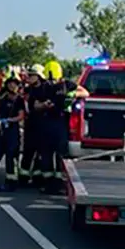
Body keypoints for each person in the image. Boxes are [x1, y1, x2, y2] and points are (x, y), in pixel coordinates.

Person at [35, 60, 89, 194]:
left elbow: (85, 93)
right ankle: (49, 184)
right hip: (46, 123)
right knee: (46, 155)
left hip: (61, 123)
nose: (51, 81)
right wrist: (44, 105)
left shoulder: (67, 85)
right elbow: (35, 105)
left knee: (61, 155)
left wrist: (72, 94)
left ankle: (60, 184)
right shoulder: (43, 87)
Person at [18, 64, 48, 188]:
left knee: (40, 153)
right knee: (27, 152)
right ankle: (23, 178)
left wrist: (42, 105)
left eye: (32, 75)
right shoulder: (27, 90)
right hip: (30, 124)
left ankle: (37, 178)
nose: (29, 77)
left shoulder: (45, 89)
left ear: (39, 76)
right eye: (29, 75)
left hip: (42, 125)